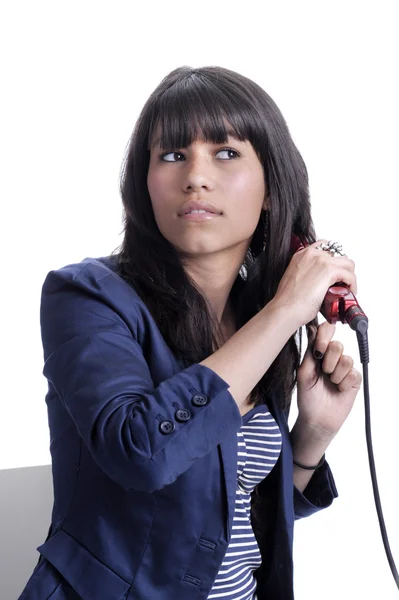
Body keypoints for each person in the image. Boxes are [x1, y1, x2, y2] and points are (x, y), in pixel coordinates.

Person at [19, 65, 362, 600]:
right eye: (173, 155)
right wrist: (285, 312)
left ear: (272, 188)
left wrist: (313, 435)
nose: (195, 176)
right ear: (146, 183)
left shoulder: (255, 317)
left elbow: (238, 512)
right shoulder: (86, 296)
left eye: (226, 153)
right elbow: (139, 451)